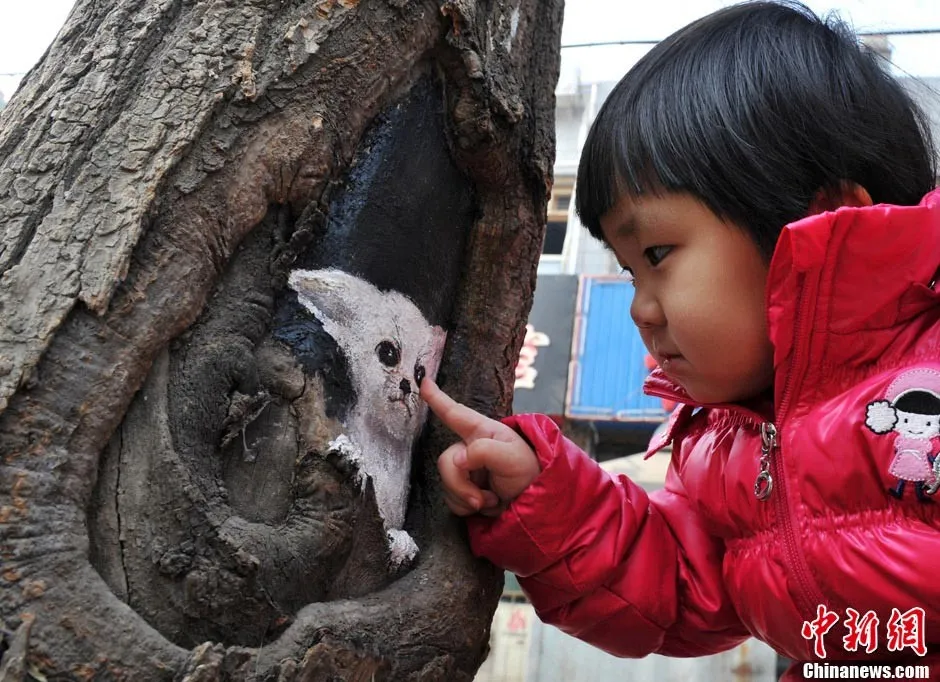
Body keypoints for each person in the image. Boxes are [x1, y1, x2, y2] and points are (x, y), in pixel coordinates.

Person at [419, 1, 940, 679]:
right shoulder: (727, 451)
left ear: (825, 218)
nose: (641, 308)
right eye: (628, 270)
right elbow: (682, 584)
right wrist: (546, 500)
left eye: (658, 253)